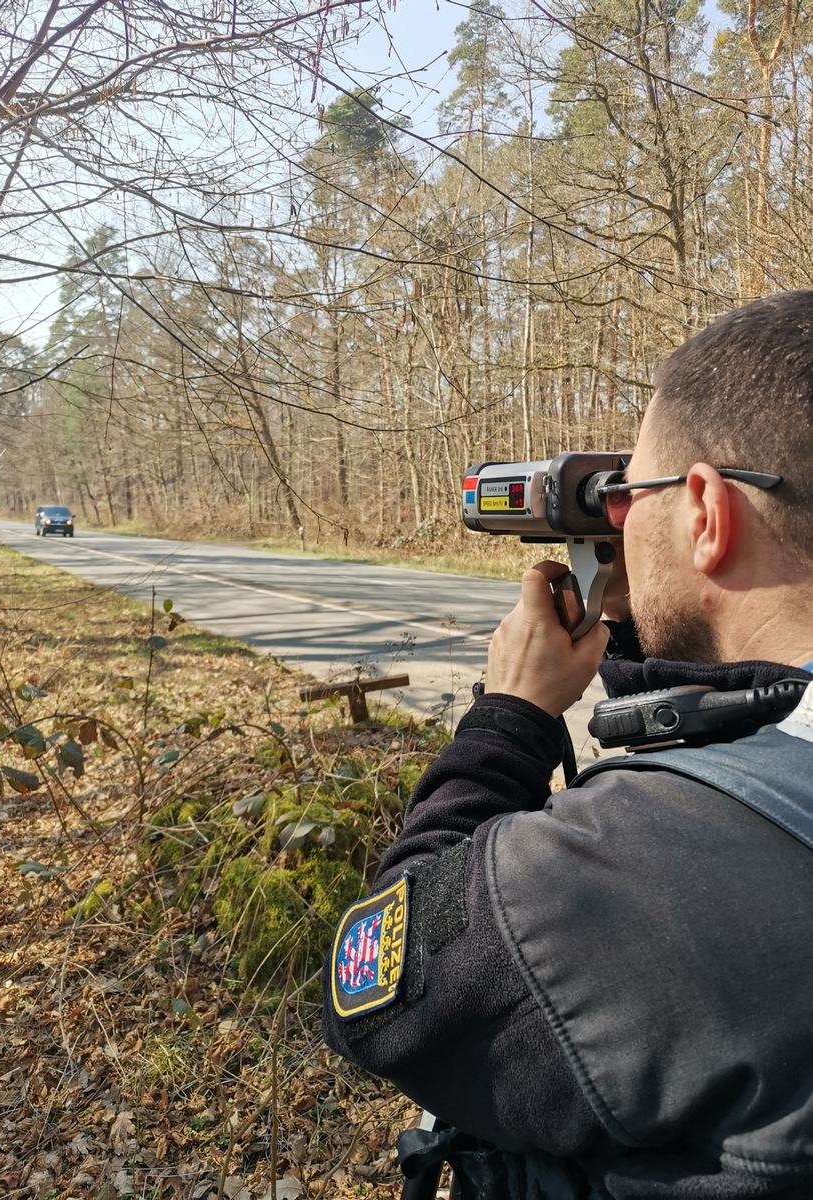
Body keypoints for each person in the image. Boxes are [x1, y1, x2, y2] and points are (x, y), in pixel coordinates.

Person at [321, 290, 813, 1199]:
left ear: (704, 510)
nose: (621, 523)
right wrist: (665, 625)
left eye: (640, 493)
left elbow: (378, 998)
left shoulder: (624, 869)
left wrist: (510, 716)